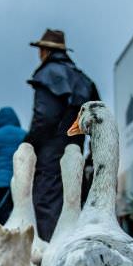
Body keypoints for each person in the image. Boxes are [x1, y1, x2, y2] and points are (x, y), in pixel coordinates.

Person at [25, 29, 99, 241]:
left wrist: (29, 143)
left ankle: (49, 263)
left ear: (44, 51)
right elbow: (96, 122)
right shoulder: (84, 80)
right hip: (75, 155)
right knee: (74, 205)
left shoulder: (48, 74)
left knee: (48, 207)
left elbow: (44, 119)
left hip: (51, 158)